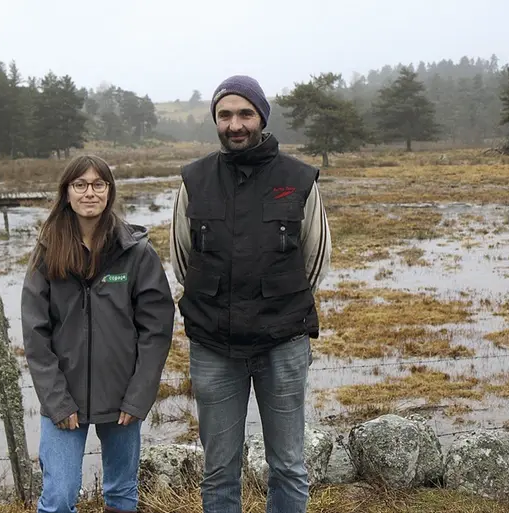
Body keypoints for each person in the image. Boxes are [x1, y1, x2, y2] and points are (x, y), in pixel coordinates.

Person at [169, 75, 332, 513]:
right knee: (219, 470)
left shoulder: (299, 179)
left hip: (284, 343)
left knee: (289, 466)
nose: (235, 124)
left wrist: (281, 308)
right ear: (216, 121)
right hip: (213, 348)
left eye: (245, 113)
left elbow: (315, 259)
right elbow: (182, 260)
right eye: (225, 115)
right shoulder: (193, 181)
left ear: (261, 116)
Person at [22, 154, 176, 513]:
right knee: (58, 498)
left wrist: (138, 397)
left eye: (98, 184)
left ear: (109, 191)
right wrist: (57, 401)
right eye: (80, 185)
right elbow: (35, 334)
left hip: (123, 399)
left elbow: (156, 329)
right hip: (64, 400)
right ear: (67, 193)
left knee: (122, 496)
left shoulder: (136, 253)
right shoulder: (46, 252)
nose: (89, 192)